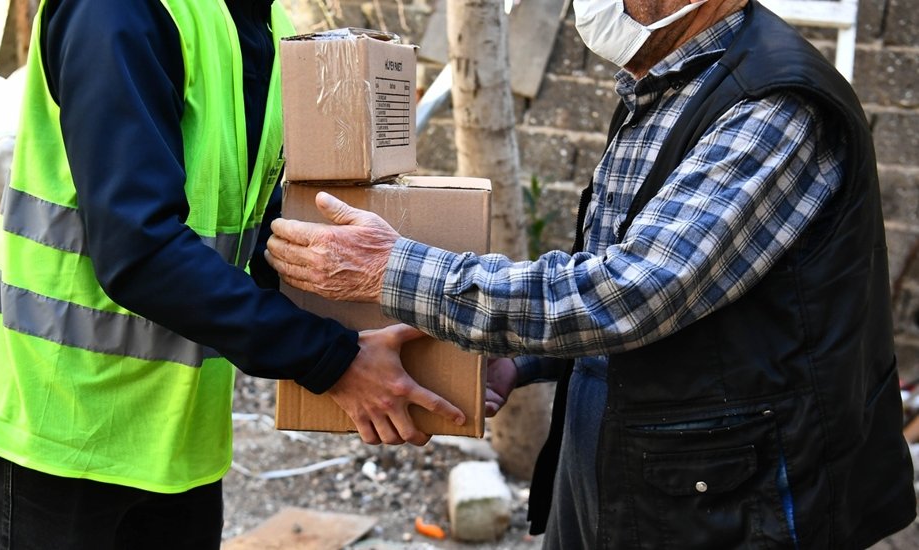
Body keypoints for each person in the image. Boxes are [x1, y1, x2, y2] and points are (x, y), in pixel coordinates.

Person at [265, 0, 918, 547]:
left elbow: (627, 295)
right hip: (642, 479)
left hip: (729, 506)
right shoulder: (671, 84)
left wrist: (391, 270)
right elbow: (609, 271)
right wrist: (520, 362)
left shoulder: (769, 107)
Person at [0, 0, 465, 548]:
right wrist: (333, 359)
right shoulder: (117, 11)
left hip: (179, 444)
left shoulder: (270, 25)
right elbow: (139, 251)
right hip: (55, 429)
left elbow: (261, 229)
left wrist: (435, 344)